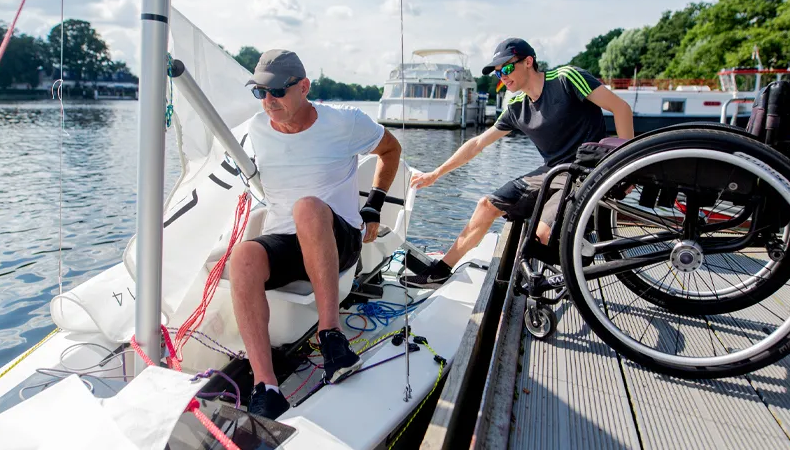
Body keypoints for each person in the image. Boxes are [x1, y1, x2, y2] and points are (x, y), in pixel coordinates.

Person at [229, 49, 402, 419]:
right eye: (260, 93)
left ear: (304, 87)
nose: (268, 101)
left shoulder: (345, 123)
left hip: (338, 237)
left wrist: (373, 205)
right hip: (287, 240)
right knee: (242, 256)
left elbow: (391, 149)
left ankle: (331, 335)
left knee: (307, 208)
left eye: (276, 91)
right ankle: (267, 386)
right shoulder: (257, 130)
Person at [403, 38, 634, 287]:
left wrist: (625, 169)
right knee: (486, 205)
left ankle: (579, 256)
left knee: (543, 235)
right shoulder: (515, 106)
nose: (502, 76)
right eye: (498, 73)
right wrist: (436, 173)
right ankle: (440, 271)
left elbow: (621, 109)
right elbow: (478, 144)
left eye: (507, 68)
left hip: (586, 171)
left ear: (528, 62)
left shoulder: (567, 79)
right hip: (553, 172)